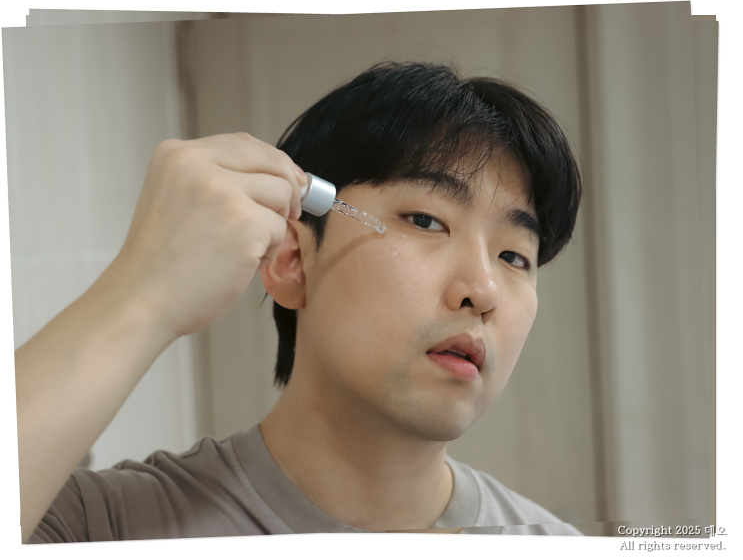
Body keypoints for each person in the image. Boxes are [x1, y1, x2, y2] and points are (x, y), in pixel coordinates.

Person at [17, 61, 583, 543]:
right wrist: (143, 293)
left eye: (514, 257)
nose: (483, 291)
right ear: (291, 259)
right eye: (426, 220)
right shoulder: (102, 526)